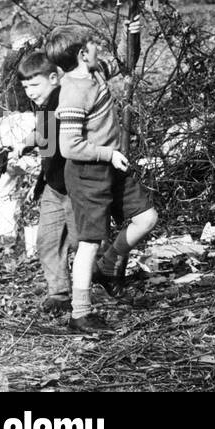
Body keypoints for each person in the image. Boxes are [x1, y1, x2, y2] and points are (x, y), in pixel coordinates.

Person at [47, 20, 156, 334]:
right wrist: (108, 153)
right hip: (87, 174)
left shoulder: (94, 73)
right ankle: (80, 314)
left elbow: (124, 61)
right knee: (89, 243)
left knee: (147, 218)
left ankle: (107, 269)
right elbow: (69, 146)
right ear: (83, 54)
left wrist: (131, 32)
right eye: (94, 45)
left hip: (111, 166)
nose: (99, 48)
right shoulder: (71, 93)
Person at [18, 51, 72, 314]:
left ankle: (106, 272)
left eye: (34, 85)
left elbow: (48, 136)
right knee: (48, 240)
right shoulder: (45, 104)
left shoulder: (64, 100)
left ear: (54, 78)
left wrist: (31, 140)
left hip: (75, 185)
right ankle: (59, 293)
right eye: (25, 87)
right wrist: (38, 183)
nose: (29, 92)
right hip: (54, 184)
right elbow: (47, 143)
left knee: (82, 240)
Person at [0, 22, 42, 246]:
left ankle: (4, 232)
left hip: (5, 126)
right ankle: (34, 241)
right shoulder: (31, 59)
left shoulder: (7, 63)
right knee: (37, 181)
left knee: (6, 183)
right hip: (30, 124)